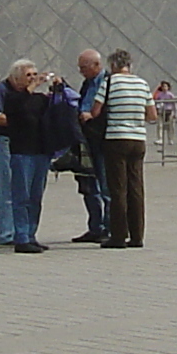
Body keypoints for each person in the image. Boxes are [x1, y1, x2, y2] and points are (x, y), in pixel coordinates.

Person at [0, 61, 52, 253]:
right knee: (19, 195)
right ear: (16, 78)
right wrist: (30, 90)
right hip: (19, 150)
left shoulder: (40, 99)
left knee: (35, 196)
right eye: (29, 76)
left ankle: (31, 234)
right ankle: (19, 236)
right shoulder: (11, 97)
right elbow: (13, 111)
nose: (33, 79)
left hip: (40, 151)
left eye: (35, 74)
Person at [95, 49, 151, 248]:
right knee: (136, 188)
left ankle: (118, 235)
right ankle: (137, 236)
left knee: (118, 188)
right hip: (138, 140)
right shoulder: (142, 83)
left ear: (113, 66)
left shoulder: (109, 83)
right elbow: (152, 115)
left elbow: (96, 110)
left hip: (116, 139)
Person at [65, 48, 110, 244]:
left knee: (106, 186)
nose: (81, 71)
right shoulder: (87, 83)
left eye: (84, 67)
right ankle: (95, 227)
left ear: (97, 65)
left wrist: (92, 116)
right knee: (88, 184)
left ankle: (109, 227)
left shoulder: (110, 82)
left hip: (101, 139)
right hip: (85, 139)